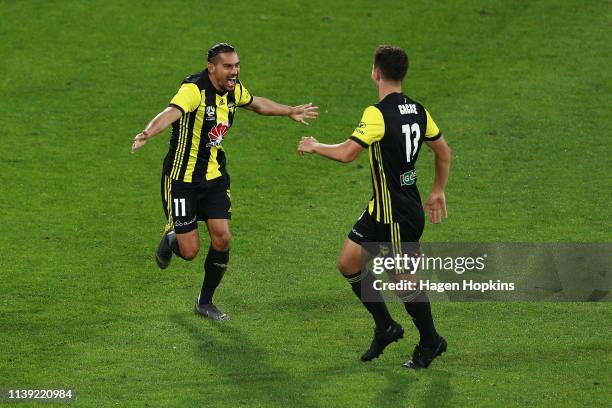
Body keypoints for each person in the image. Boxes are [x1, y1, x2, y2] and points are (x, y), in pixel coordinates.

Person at [132, 43, 318, 320]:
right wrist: (148, 132)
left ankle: (204, 302)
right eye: (228, 66)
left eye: (237, 65)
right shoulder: (193, 90)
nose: (235, 71)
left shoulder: (232, 90)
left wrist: (288, 110)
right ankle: (171, 239)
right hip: (182, 180)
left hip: (214, 177)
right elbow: (171, 112)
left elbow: (256, 103)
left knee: (223, 237)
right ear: (212, 68)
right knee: (190, 251)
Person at [297, 45, 452, 369]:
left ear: (376, 73)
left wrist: (314, 146)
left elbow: (347, 153)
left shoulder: (377, 113)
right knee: (348, 263)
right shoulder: (418, 110)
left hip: (397, 216)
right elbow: (443, 151)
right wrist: (438, 191)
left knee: (402, 281)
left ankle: (430, 341)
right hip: (381, 209)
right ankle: (385, 326)